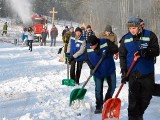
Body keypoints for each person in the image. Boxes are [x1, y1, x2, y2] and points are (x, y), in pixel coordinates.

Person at [119, 17, 159, 120]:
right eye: (130, 28)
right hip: (132, 73)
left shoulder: (150, 35)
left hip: (147, 72)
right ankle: (133, 117)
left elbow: (156, 51)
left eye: (134, 28)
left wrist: (145, 52)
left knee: (146, 97)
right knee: (133, 99)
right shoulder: (125, 39)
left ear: (139, 27)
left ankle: (138, 114)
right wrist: (124, 71)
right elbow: (122, 56)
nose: (132, 30)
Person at [86, 35, 118, 114]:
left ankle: (107, 101)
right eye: (90, 45)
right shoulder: (88, 46)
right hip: (97, 71)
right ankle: (99, 106)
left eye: (93, 45)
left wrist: (109, 52)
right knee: (98, 89)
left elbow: (116, 48)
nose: (91, 47)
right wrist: (91, 67)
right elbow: (86, 58)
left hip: (109, 69)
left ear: (97, 43)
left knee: (113, 86)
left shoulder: (105, 42)